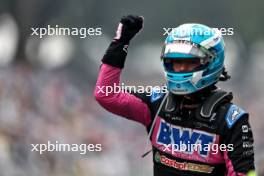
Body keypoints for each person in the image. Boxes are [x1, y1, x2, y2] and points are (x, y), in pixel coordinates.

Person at [94, 15, 256, 176]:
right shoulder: (157, 102)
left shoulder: (231, 120)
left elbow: (244, 174)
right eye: (176, 62)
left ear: (211, 62)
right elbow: (106, 95)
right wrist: (120, 43)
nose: (180, 69)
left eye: (190, 62)